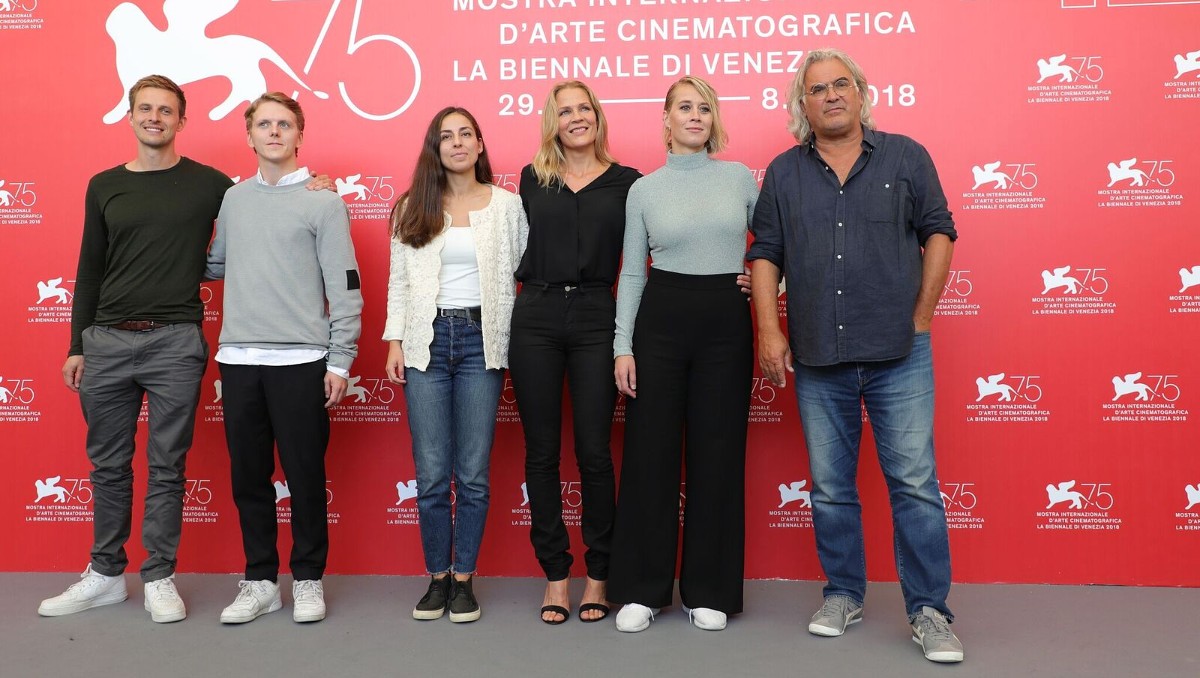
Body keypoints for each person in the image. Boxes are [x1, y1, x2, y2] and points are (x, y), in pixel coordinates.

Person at [747, 48, 963, 663]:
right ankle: (843, 593)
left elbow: (940, 231)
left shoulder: (905, 156)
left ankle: (929, 611)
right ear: (803, 104)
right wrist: (769, 330)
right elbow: (765, 254)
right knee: (831, 488)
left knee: (916, 485)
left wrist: (920, 318)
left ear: (862, 93)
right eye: (817, 89)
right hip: (818, 356)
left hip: (900, 353)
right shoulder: (784, 173)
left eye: (842, 85)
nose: (831, 96)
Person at [38, 75, 231, 623]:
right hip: (107, 342)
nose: (155, 117)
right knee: (108, 465)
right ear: (130, 116)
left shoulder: (211, 184)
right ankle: (104, 574)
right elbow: (89, 269)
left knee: (168, 465)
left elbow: (266, 201)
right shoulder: (103, 185)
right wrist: (78, 343)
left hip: (174, 341)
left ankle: (159, 576)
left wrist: (314, 184)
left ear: (181, 120)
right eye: (145, 108)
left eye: (165, 110)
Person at [607, 76, 757, 633]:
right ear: (666, 119)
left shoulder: (739, 178)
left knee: (718, 453)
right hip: (662, 319)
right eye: (685, 108)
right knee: (650, 453)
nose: (696, 116)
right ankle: (642, 590)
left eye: (705, 108)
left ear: (713, 121)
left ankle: (709, 589)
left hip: (725, 319)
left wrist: (770, 285)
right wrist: (623, 346)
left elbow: (772, 248)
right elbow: (630, 273)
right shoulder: (643, 190)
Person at [205, 92, 362, 625]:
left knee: (304, 475)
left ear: (300, 135)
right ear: (249, 135)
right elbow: (216, 262)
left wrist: (339, 361)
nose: (274, 132)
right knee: (249, 477)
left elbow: (345, 286)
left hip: (302, 360)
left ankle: (310, 579)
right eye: (264, 124)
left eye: (285, 124)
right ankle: (260, 581)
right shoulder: (234, 200)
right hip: (239, 359)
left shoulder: (324, 201)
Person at [384, 106, 527, 623]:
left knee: (472, 473)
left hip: (481, 342)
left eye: (467, 133)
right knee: (430, 474)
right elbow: (399, 282)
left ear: (481, 144)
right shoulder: (412, 207)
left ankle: (463, 578)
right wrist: (395, 341)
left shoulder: (507, 206)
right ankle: (436, 577)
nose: (458, 143)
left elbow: (526, 271)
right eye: (447, 136)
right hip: (426, 341)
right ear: (435, 147)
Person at [509, 81, 641, 624]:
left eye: (584, 108)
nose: (576, 117)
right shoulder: (530, 179)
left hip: (595, 315)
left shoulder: (628, 183)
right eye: (565, 111)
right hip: (535, 314)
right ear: (553, 121)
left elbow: (648, 255)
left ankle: (599, 574)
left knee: (593, 452)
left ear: (597, 117)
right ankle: (556, 576)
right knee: (541, 453)